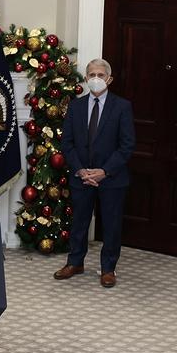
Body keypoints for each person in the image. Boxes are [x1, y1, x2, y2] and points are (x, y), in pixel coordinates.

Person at [53, 59, 135, 288]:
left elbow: (127, 145)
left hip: (111, 179)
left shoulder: (122, 107)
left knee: (111, 223)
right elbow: (67, 143)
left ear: (109, 79)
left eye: (100, 74)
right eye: (91, 74)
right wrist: (81, 170)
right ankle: (75, 262)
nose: (95, 78)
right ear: (86, 78)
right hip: (81, 176)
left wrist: (104, 171)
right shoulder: (75, 106)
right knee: (79, 221)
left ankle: (108, 268)